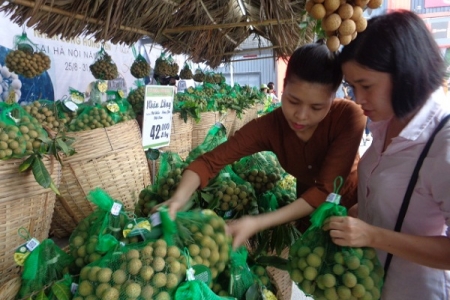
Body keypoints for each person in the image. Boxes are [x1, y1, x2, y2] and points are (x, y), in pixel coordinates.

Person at [160, 41, 366, 247]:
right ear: (283, 86)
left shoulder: (348, 118)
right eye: (293, 101)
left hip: (354, 213)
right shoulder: (270, 126)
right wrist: (178, 199)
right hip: (306, 215)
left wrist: (256, 222)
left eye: (316, 107)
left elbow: (326, 190)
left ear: (333, 97)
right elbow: (209, 162)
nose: (301, 116)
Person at [323, 11, 450, 300]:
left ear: (406, 72)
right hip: (372, 285)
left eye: (366, 86)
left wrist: (372, 235)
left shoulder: (443, 141)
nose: (358, 99)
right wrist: (357, 214)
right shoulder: (385, 123)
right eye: (352, 87)